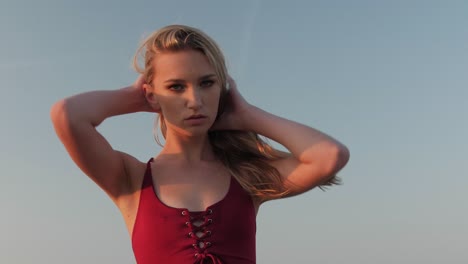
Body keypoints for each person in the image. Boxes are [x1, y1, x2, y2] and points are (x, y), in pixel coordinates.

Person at [50, 24, 350, 264]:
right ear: (151, 94)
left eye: (207, 83)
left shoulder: (246, 178)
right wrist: (137, 97)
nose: (194, 101)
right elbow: (67, 115)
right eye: (176, 86)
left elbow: (329, 155)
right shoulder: (130, 179)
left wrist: (246, 115)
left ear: (223, 89)